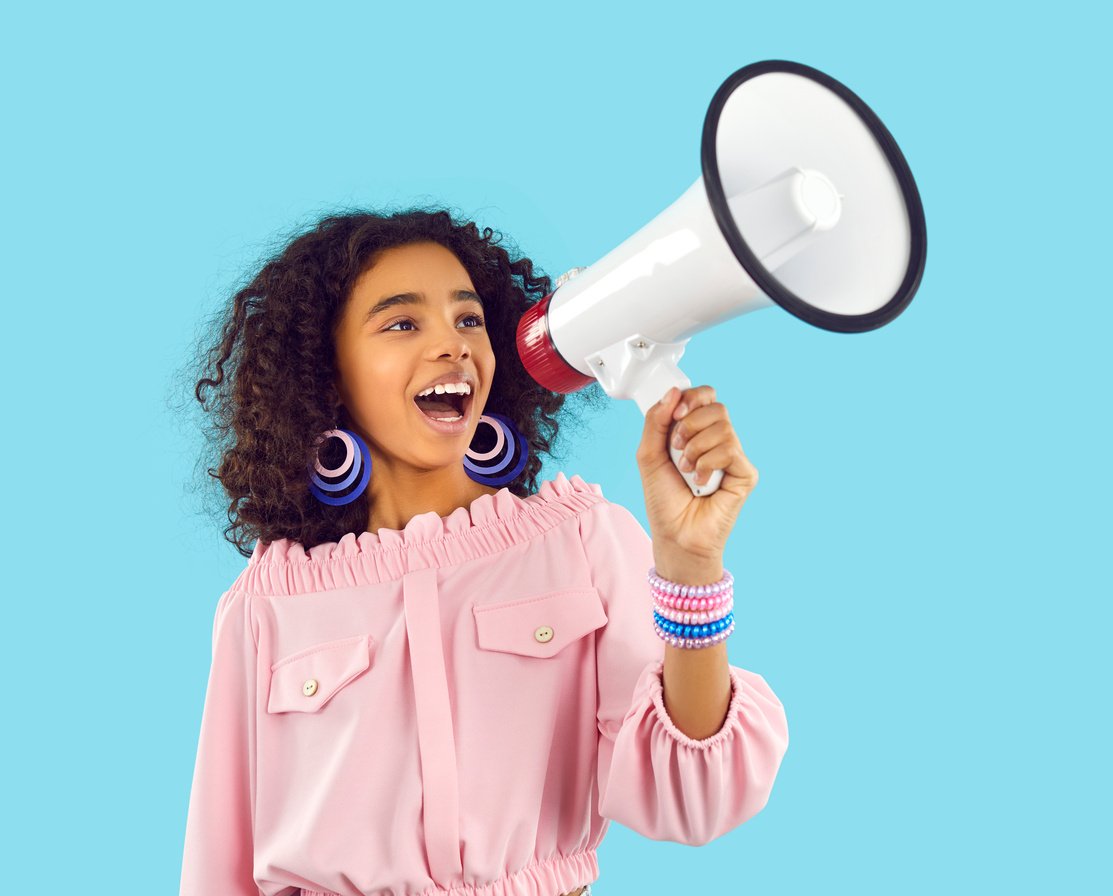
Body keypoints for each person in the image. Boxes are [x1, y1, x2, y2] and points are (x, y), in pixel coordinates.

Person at [178, 207, 789, 896]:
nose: (453, 345)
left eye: (469, 320)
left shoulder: (579, 541)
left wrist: (690, 564)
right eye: (403, 323)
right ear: (327, 371)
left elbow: (699, 797)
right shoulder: (267, 607)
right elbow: (218, 872)